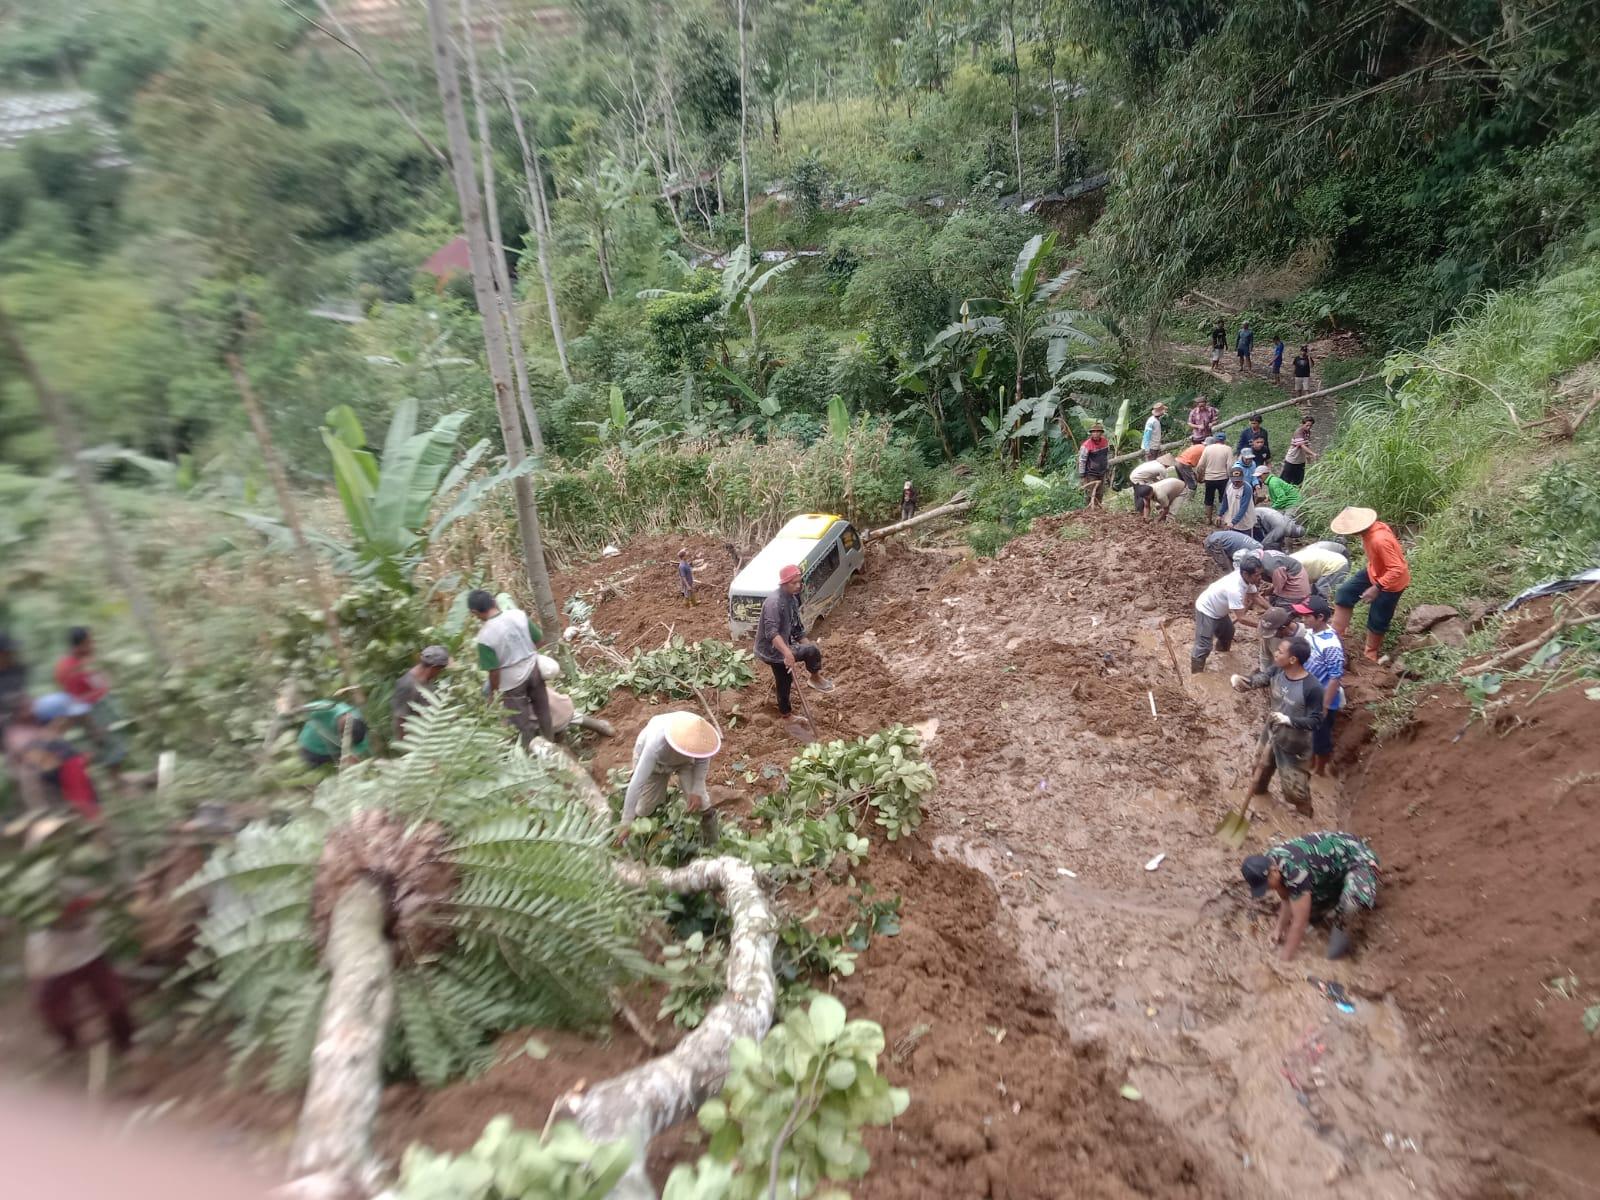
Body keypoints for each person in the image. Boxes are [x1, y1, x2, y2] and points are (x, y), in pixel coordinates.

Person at [26, 869, 135, 1056]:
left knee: (114, 998)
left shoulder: (78, 873)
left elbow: (97, 899)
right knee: (52, 1007)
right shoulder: (35, 886)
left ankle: (126, 1043)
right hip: (53, 954)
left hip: (87, 947)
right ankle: (68, 1040)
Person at [1241, 831, 1379, 960]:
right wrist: (1278, 929)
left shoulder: (1294, 871)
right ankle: (1336, 897)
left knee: (1350, 902)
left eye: (1266, 885)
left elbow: (1299, 923)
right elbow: (1286, 899)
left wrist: (1285, 958)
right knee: (1311, 913)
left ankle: (1340, 930)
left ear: (1274, 871)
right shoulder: (1267, 861)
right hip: (1331, 870)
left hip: (1358, 859)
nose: (1267, 889)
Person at [1232, 637, 1323, 817]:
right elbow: (1262, 678)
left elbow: (1316, 721)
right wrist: (1243, 682)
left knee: (1294, 789)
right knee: (1258, 768)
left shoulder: (1312, 688)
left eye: (1280, 651)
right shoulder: (1277, 670)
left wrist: (1289, 720)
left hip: (1293, 742)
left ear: (1293, 660)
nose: (1275, 653)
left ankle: (1305, 815)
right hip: (1271, 731)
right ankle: (1260, 794)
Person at [618, 711, 721, 843]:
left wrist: (696, 790)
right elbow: (638, 782)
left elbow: (702, 760)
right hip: (656, 765)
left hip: (685, 762)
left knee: (702, 802)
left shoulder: (701, 735)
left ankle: (713, 845)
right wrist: (626, 822)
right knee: (645, 808)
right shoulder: (655, 745)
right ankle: (640, 839)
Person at [469, 589, 554, 745]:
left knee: (522, 724)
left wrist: (493, 692)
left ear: (475, 612)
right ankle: (551, 742)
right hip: (533, 670)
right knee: (543, 711)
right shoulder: (518, 615)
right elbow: (540, 640)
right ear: (494, 601)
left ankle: (533, 754)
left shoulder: (484, 637)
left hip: (512, 684)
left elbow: (494, 672)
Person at [1329, 507, 1410, 663]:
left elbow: (1398, 568)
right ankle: (1336, 634)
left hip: (1391, 583)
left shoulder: (1379, 540)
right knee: (1345, 593)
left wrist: (1376, 588)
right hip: (1375, 571)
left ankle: (1370, 653)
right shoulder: (1373, 529)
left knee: (1378, 617)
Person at [755, 564, 834, 717]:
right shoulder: (774, 603)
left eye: (800, 582)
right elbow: (772, 633)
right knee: (785, 679)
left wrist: (809, 649)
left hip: (784, 643)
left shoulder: (792, 599)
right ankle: (787, 715)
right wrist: (787, 654)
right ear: (784, 583)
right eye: (794, 583)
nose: (798, 586)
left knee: (812, 649)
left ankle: (815, 678)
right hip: (772, 650)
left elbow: (796, 628)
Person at [52, 628, 123, 769]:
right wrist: (93, 728)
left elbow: (100, 682)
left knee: (115, 751)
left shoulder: (87, 660)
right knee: (109, 753)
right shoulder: (67, 667)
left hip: (103, 711)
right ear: (80, 645)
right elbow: (75, 700)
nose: (93, 645)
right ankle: (116, 782)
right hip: (92, 716)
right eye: (89, 642)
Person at [1191, 555, 1263, 673]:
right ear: (1245, 574)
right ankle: (1196, 674)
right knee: (1204, 645)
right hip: (1206, 610)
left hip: (1220, 611)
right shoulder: (1234, 589)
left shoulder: (1248, 580)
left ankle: (1222, 657)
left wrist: (1272, 609)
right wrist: (1262, 625)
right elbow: (1241, 618)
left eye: (1260, 574)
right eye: (1257, 575)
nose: (1260, 578)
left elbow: (1255, 597)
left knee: (1228, 633)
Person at [1298, 596, 1346, 774]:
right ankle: (1309, 762)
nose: (1303, 619)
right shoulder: (1311, 632)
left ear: (1320, 617)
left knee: (1321, 738)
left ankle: (1319, 770)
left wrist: (1324, 706)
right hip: (1309, 692)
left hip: (1324, 698)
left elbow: (1335, 677)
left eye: (1306, 616)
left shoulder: (1331, 645)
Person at [392, 645, 450, 742]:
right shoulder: (407, 685)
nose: (439, 673)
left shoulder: (427, 679)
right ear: (433, 668)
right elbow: (400, 720)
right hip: (416, 741)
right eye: (439, 670)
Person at [297, 700, 370, 768]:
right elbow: (304, 708)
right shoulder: (328, 708)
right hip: (309, 745)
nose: (341, 739)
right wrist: (299, 709)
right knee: (308, 761)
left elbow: (355, 754)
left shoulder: (360, 738)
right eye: (342, 735)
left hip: (329, 753)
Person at [1198, 432, 1234, 520]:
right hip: (1223, 478)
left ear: (1215, 440)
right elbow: (1229, 465)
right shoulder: (1228, 449)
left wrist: (1200, 477)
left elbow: (1200, 465)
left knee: (1208, 498)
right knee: (1223, 498)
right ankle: (1221, 518)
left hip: (1209, 478)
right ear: (1224, 440)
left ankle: (1208, 519)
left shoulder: (1207, 449)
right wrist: (1230, 477)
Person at [1077, 421, 1112, 509]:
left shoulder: (1105, 442)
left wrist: (1107, 469)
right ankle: (1090, 510)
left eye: (1098, 432)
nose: (1096, 434)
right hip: (1091, 473)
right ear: (1091, 433)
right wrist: (1082, 475)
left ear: (1101, 433)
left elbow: (1106, 456)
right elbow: (1082, 460)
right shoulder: (1086, 445)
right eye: (1094, 432)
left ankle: (1098, 509)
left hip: (1102, 471)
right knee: (1090, 492)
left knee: (1100, 492)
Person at [1218, 465, 1256, 533]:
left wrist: (1233, 522)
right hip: (1231, 520)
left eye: (1238, 481)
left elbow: (1243, 508)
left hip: (1245, 522)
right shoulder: (1229, 485)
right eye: (1234, 481)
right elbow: (1225, 501)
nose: (1236, 483)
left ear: (1243, 478)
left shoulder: (1247, 488)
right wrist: (1220, 514)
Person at [1280, 416, 1317, 486]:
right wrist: (1313, 454)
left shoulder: (1308, 432)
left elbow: (1306, 445)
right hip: (1292, 459)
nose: (1309, 427)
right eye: (1307, 425)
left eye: (1310, 426)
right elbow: (1302, 445)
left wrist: (1308, 456)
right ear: (1302, 424)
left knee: (1298, 481)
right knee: (1285, 480)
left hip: (1301, 460)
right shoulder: (1298, 432)